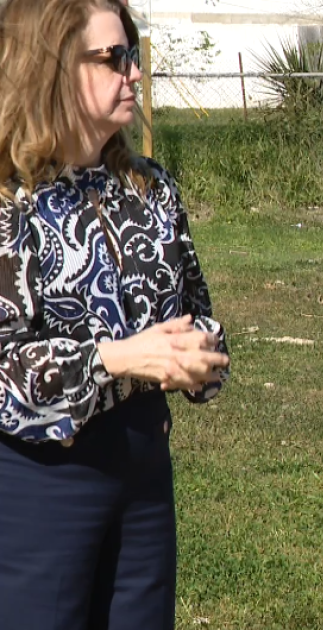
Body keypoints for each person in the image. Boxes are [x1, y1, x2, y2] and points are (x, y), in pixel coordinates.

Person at [0, 0, 231, 628]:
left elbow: (198, 312)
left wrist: (200, 355)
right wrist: (123, 358)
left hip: (144, 470)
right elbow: (4, 369)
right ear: (49, 68)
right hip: (44, 478)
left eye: (132, 55)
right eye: (114, 58)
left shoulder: (150, 188)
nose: (133, 72)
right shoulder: (10, 201)